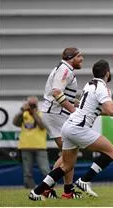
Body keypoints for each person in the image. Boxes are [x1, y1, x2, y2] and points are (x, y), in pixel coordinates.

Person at [29, 60, 113, 200]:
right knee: (112, 152)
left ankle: (36, 192)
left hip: (68, 126)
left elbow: (98, 111)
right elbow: (111, 110)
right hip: (79, 128)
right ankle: (84, 180)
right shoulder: (102, 88)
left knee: (66, 166)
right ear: (107, 73)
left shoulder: (89, 85)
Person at [40, 47, 84, 199]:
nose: (82, 59)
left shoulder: (64, 68)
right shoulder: (65, 70)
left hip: (54, 113)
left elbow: (62, 94)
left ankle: (66, 191)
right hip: (55, 114)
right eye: (79, 56)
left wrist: (79, 104)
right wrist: (74, 111)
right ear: (71, 58)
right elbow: (57, 92)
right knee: (69, 155)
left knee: (69, 155)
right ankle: (45, 189)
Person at [13, 97, 51, 189]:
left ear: (37, 104)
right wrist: (22, 111)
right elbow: (15, 123)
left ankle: (49, 188)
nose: (31, 106)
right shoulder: (23, 114)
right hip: (25, 146)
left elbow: (42, 126)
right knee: (27, 172)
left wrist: (33, 113)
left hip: (40, 147)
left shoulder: (41, 114)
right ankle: (30, 190)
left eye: (33, 104)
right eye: (30, 104)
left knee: (45, 170)